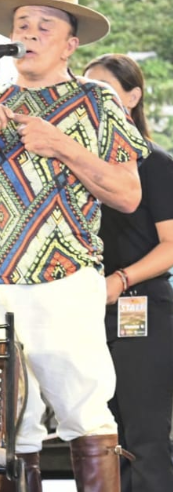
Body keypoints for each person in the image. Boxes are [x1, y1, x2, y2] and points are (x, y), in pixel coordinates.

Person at [0, 0, 149, 491]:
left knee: (86, 416)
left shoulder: (96, 101)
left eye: (46, 26)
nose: (30, 33)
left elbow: (128, 194)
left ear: (70, 45)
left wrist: (62, 145)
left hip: (61, 282)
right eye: (22, 24)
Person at [83, 53, 173, 492]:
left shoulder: (154, 163)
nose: (92, 101)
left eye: (102, 91)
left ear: (133, 97)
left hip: (142, 310)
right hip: (86, 311)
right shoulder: (79, 164)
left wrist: (120, 280)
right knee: (100, 439)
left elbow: (171, 245)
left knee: (144, 438)